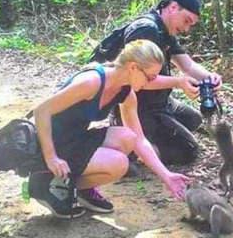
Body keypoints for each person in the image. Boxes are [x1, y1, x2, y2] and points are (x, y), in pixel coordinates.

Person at [28, 39, 190, 218]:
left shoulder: (125, 92)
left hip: (74, 138)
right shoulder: (92, 82)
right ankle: (44, 182)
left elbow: (139, 139)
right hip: (45, 145)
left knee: (127, 137)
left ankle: (80, 189)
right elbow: (41, 111)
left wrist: (166, 175)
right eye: (150, 77)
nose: (151, 82)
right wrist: (51, 157)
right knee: (119, 163)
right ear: (133, 67)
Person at [97, 0, 222, 166]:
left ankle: (139, 136)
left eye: (191, 25)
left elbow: (187, 65)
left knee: (193, 119)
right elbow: (135, 79)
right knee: (188, 151)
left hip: (159, 100)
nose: (186, 29)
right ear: (172, 7)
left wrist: (211, 78)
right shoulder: (146, 29)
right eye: (186, 20)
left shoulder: (166, 32)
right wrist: (178, 82)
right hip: (136, 102)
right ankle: (131, 150)